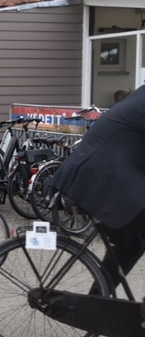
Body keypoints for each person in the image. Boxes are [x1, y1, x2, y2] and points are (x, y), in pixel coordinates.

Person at [51, 85, 145, 290]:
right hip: (99, 180)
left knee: (132, 244)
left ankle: (97, 300)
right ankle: (95, 300)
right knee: (132, 242)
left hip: (95, 176)